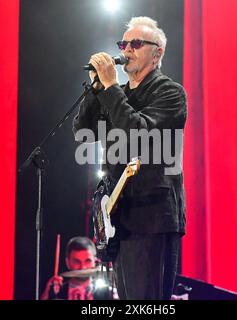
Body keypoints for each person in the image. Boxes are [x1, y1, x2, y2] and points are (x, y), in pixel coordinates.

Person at [73, 16, 187, 300]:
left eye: (136, 44)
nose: (126, 50)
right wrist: (97, 89)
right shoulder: (118, 94)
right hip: (119, 216)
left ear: (157, 52)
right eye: (123, 44)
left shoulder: (170, 93)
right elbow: (83, 131)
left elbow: (139, 134)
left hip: (152, 219)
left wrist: (111, 90)